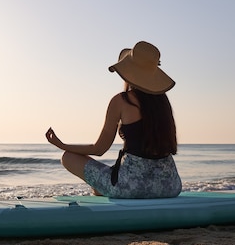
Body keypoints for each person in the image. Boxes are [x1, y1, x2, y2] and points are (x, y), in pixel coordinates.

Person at [45, 41, 182, 199]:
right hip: (170, 186)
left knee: (67, 157)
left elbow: (99, 149)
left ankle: (103, 188)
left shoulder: (121, 101)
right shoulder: (163, 103)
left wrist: (62, 145)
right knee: (107, 179)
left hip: (130, 187)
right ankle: (102, 188)